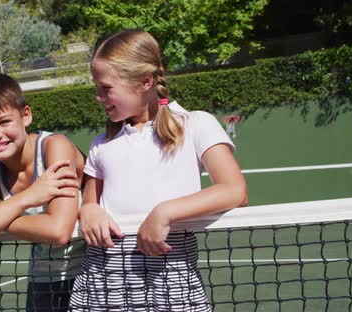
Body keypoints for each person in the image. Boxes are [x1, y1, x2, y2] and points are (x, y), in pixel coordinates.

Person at [69, 29, 248, 311]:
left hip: (172, 280)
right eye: (97, 87)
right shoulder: (101, 144)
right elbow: (90, 201)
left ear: (145, 81)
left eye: (106, 88)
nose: (98, 96)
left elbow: (234, 191)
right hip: (104, 282)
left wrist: (164, 213)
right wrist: (88, 210)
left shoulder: (196, 124)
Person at [0, 72, 85, 312]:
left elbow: (58, 230)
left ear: (26, 116)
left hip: (92, 273)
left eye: (3, 122)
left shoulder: (55, 146)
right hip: (43, 280)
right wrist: (26, 199)